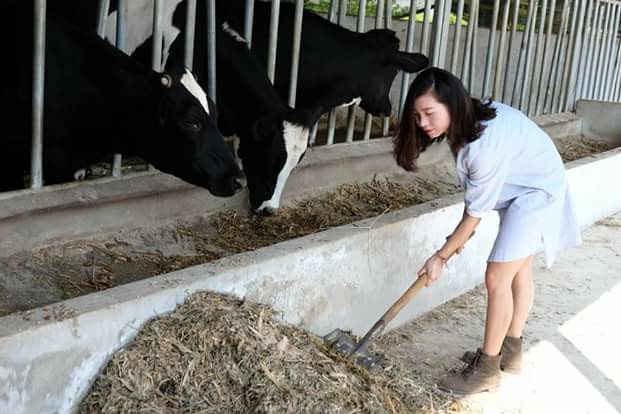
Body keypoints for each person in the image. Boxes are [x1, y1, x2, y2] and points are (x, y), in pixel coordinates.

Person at [393, 67, 581, 395]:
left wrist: (442, 255)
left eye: (429, 113)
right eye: (417, 115)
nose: (422, 123)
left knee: (497, 276)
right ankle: (511, 350)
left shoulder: (482, 146)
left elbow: (475, 212)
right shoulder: (471, 120)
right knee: (519, 269)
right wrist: (456, 241)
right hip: (526, 183)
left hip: (537, 191)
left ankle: (487, 368)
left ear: (451, 104)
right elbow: (477, 205)